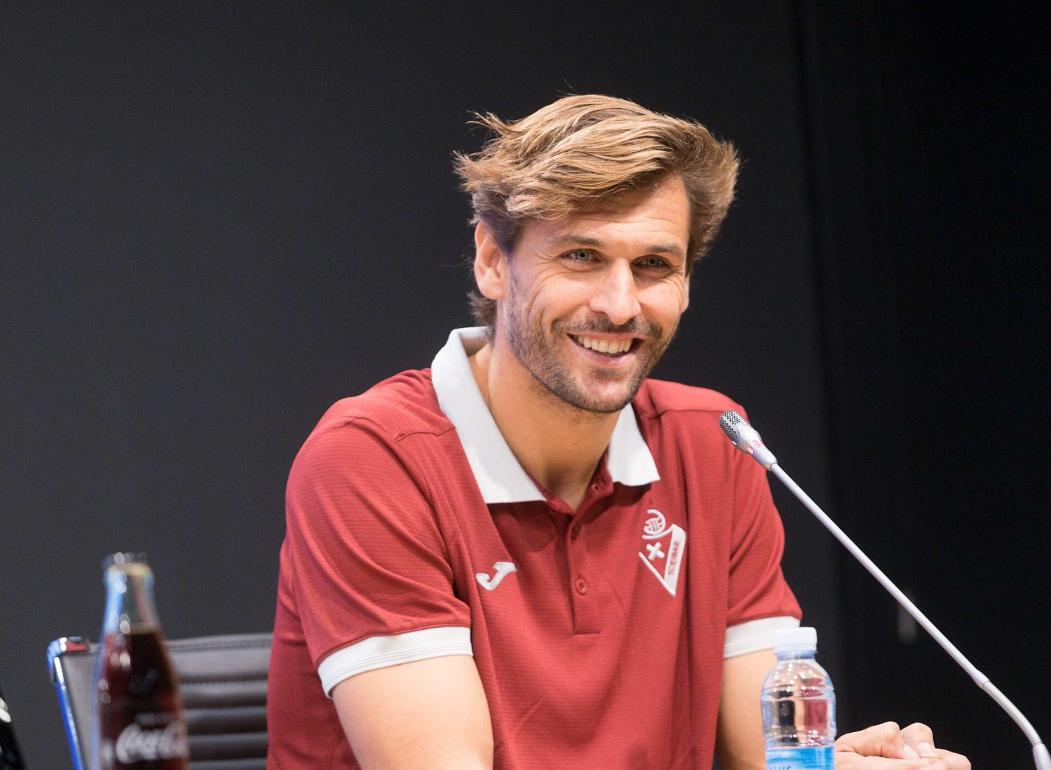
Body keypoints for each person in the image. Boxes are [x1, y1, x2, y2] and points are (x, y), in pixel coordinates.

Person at [267, 95, 970, 770]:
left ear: (688, 283)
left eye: (654, 265)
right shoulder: (371, 459)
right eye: (580, 256)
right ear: (491, 259)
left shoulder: (714, 444)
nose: (619, 304)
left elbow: (771, 757)